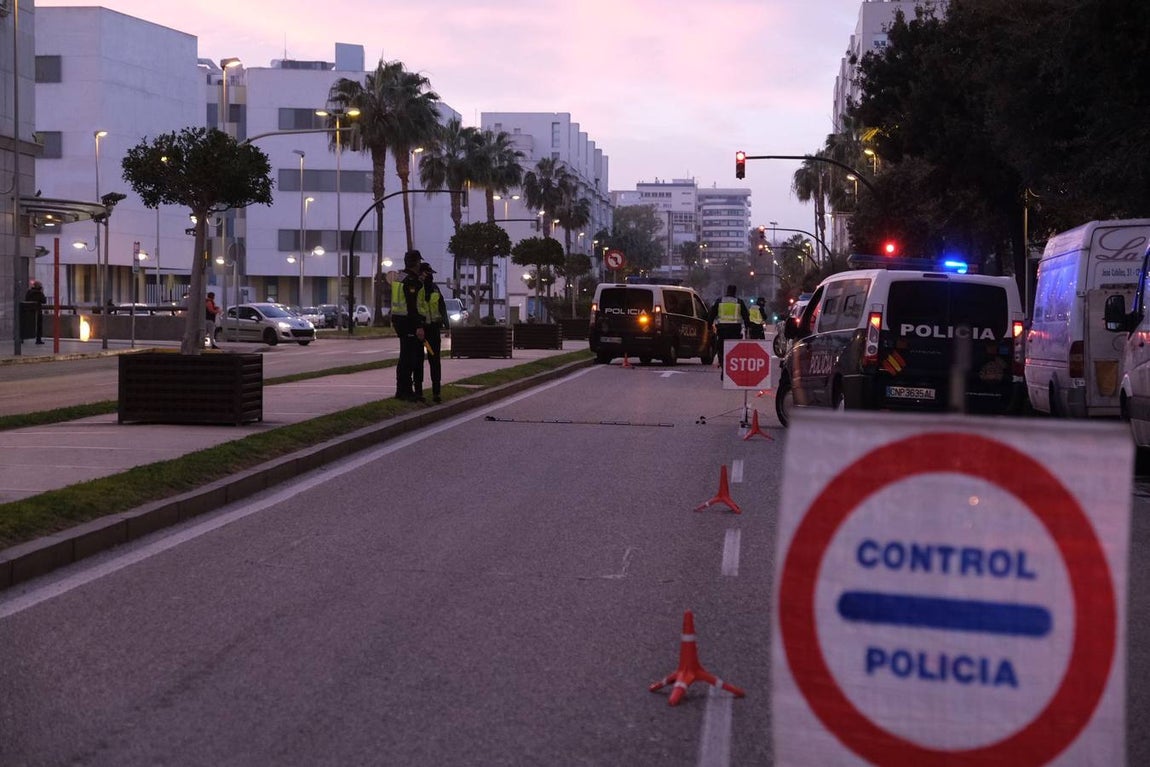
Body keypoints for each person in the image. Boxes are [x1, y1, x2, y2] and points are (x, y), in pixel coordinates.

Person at [391, 249, 427, 401]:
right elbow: (412, 305)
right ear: (417, 263)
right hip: (408, 321)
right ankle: (406, 391)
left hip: (399, 320)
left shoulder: (400, 277)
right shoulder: (412, 280)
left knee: (405, 356)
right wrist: (418, 326)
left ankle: (402, 390)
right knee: (409, 358)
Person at [708, 284, 751, 378]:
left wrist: (709, 326)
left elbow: (711, 314)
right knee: (734, 351)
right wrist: (748, 328)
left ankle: (724, 368)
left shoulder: (719, 301)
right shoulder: (739, 302)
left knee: (721, 350)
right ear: (735, 292)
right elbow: (746, 317)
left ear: (727, 291)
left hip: (722, 330)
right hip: (735, 331)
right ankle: (731, 370)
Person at [420, 262, 448, 403]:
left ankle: (436, 392)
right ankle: (418, 392)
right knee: (417, 362)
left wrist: (446, 324)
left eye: (430, 273)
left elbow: (442, 306)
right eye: (427, 273)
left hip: (432, 332)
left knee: (434, 361)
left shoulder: (435, 289)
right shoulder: (417, 288)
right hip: (420, 332)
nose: (430, 276)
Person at [24, 280, 47, 344]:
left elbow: (26, 299)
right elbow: (44, 301)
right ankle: (38, 339)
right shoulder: (39, 293)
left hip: (29, 311)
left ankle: (22, 338)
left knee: (27, 325)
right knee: (39, 326)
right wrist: (42, 292)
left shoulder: (29, 292)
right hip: (38, 311)